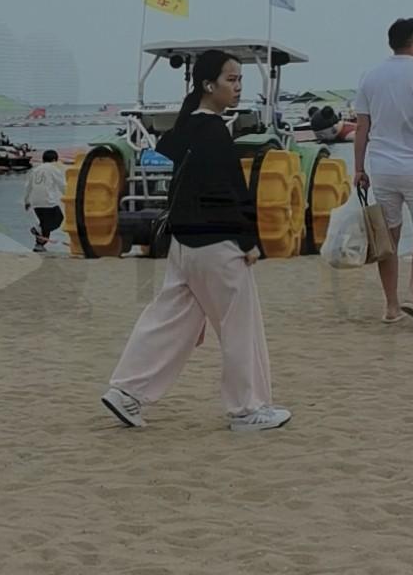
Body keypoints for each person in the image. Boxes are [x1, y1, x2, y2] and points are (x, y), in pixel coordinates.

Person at [101, 50, 290, 433]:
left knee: (166, 322)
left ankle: (126, 391)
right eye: (231, 80)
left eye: (240, 80)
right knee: (239, 327)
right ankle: (246, 409)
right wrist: (248, 240)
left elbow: (170, 155)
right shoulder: (214, 131)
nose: (238, 87)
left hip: (183, 244)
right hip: (217, 245)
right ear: (208, 85)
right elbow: (229, 190)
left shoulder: (187, 128)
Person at [353, 17, 413, 328]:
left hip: (382, 169)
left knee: (388, 239)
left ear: (390, 43)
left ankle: (392, 306)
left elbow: (362, 128)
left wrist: (358, 168)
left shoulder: (370, 77)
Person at [23, 148, 65, 250]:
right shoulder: (53, 169)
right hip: (48, 201)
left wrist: (27, 201)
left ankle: (39, 245)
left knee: (45, 224)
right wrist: (69, 196)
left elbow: (28, 187)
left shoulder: (35, 170)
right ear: (55, 160)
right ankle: (37, 229)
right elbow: (62, 185)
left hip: (35, 202)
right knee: (58, 219)